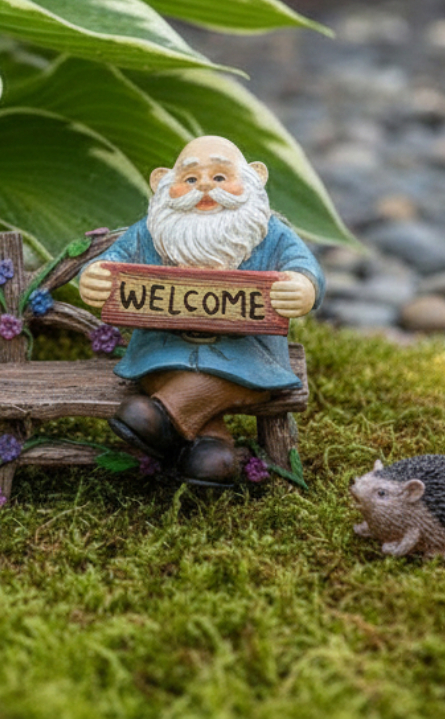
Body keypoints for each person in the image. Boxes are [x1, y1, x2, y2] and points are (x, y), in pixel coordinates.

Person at [79, 136, 324, 485]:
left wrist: (303, 285)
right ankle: (212, 449)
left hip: (245, 358)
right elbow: (112, 261)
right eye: (190, 179)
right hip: (163, 354)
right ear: (161, 181)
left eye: (221, 177)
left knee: (200, 387)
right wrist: (95, 276)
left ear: (255, 176)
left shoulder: (271, 235)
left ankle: (162, 422)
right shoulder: (150, 234)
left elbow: (305, 266)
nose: (205, 186)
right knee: (173, 381)